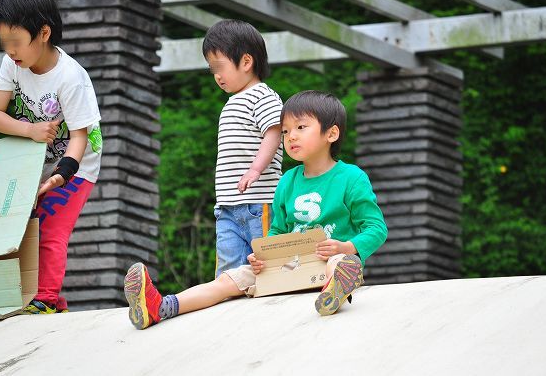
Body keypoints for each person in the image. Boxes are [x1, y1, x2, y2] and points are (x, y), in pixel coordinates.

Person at [124, 90, 388, 329]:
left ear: (331, 133)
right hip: (287, 269)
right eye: (285, 131)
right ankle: (160, 307)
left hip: (327, 262)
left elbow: (376, 228)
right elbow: (278, 229)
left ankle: (334, 291)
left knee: (340, 263)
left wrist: (346, 247)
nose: (290, 136)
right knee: (230, 279)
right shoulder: (288, 180)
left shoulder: (351, 177)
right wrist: (264, 254)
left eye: (301, 127)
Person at [0, 0, 102, 314]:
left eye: (15, 42)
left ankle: (46, 300)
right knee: (18, 225)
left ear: (43, 33)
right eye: (4, 43)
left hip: (75, 166)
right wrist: (29, 130)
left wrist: (60, 176)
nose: (10, 51)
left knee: (51, 225)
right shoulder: (14, 64)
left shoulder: (71, 79)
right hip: (32, 156)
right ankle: (37, 298)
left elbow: (80, 138)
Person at [202, 20, 284, 276]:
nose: (216, 75)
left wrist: (255, 170)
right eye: (211, 68)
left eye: (219, 67)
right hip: (227, 206)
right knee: (229, 272)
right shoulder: (233, 102)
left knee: (268, 268)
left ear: (246, 62)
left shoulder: (262, 95)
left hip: (259, 203)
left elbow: (274, 132)